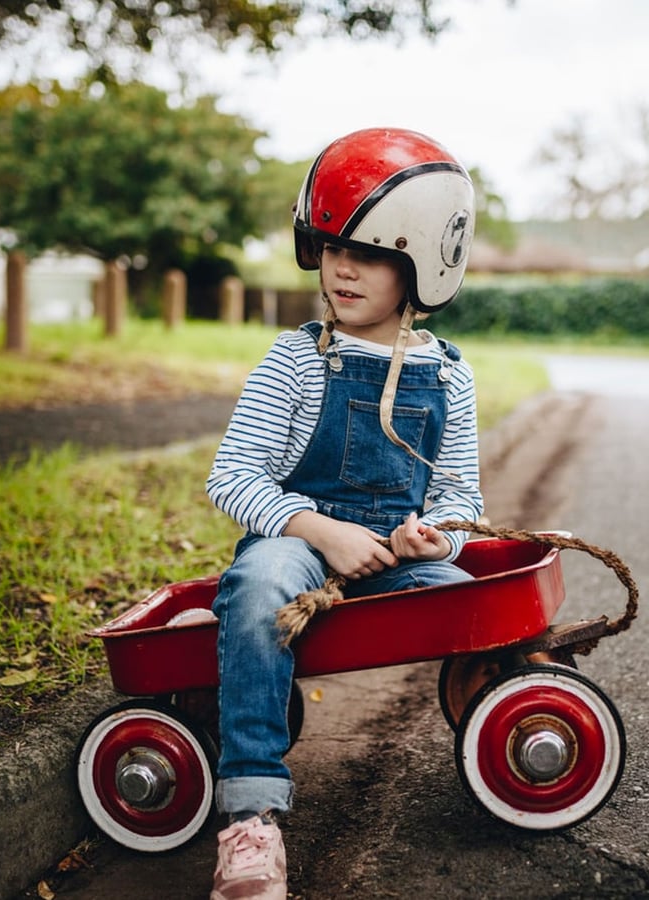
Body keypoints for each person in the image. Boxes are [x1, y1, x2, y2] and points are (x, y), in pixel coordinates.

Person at [205, 126, 483, 900]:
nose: (344, 267)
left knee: (488, 602)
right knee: (259, 587)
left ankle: (506, 713)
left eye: (372, 252)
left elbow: (462, 500)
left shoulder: (450, 378)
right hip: (298, 544)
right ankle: (252, 818)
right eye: (330, 246)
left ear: (423, 265)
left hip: (395, 561)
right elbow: (231, 476)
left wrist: (435, 534)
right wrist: (318, 528)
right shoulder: (296, 358)